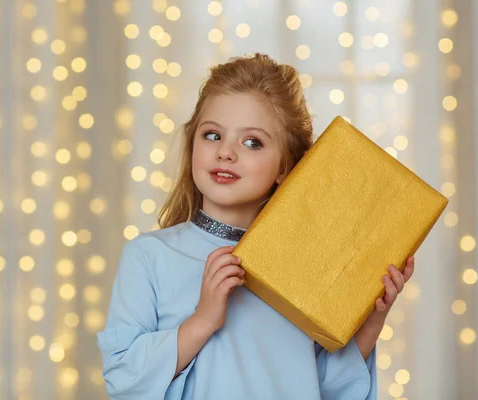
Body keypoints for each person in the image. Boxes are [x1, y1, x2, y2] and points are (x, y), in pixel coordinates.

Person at [96, 53, 415, 399]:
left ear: (285, 167)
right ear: (192, 144)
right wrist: (202, 321)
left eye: (253, 142)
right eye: (212, 135)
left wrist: (368, 324)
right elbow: (123, 380)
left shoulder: (307, 268)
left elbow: (321, 389)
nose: (226, 153)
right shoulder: (148, 257)